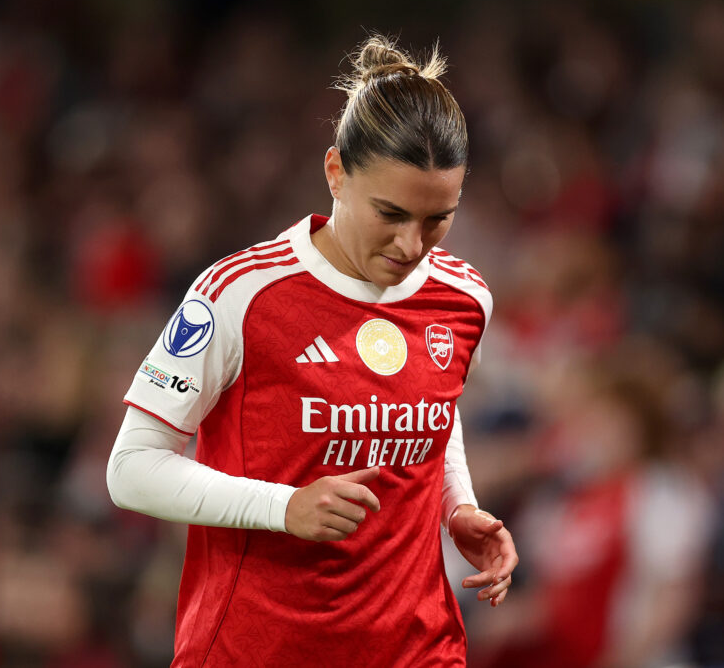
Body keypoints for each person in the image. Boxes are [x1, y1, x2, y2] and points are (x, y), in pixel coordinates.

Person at [106, 35, 518, 667]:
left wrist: (456, 506)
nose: (412, 244)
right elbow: (131, 468)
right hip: (258, 649)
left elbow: (436, 408)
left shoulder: (464, 297)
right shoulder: (240, 293)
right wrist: (282, 505)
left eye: (438, 219)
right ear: (335, 172)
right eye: (391, 213)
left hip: (418, 649)